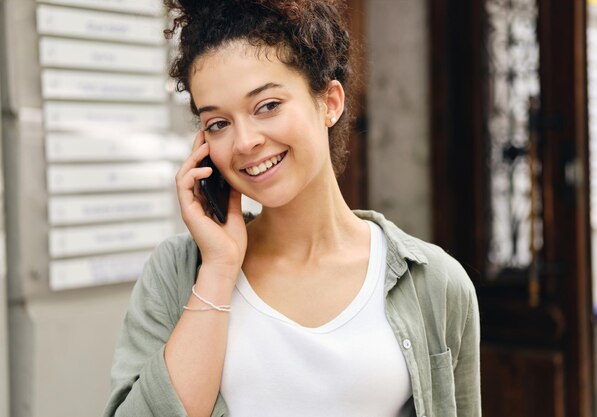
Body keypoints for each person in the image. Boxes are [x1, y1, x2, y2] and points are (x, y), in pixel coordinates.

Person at [103, 1, 481, 416]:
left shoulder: (436, 282)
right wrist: (218, 269)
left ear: (330, 102)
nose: (245, 142)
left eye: (267, 106)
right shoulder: (178, 271)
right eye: (218, 123)